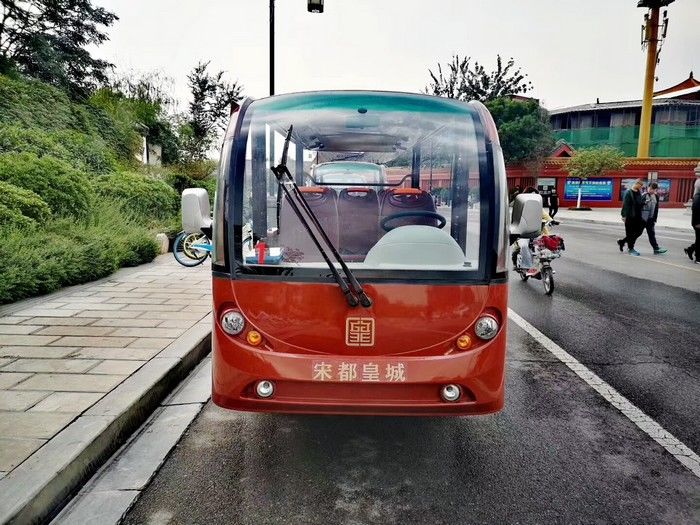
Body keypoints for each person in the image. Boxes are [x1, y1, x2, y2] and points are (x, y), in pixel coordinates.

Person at [617, 179, 645, 256]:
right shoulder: (628, 192)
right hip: (630, 216)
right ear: (636, 184)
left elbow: (638, 203)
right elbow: (625, 205)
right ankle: (630, 248)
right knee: (630, 233)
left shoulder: (638, 192)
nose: (641, 187)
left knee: (639, 231)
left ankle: (622, 241)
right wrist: (623, 215)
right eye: (640, 186)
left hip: (638, 216)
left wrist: (643, 203)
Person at [640, 182, 667, 254]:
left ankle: (656, 249)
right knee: (637, 233)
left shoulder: (656, 197)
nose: (651, 190)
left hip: (651, 219)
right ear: (648, 187)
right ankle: (623, 242)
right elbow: (638, 205)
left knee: (651, 234)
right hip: (643, 219)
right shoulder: (644, 195)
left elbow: (656, 209)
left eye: (653, 189)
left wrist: (655, 219)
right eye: (650, 188)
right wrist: (644, 202)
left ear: (655, 190)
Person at [684, 180, 700, 263]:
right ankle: (698, 258)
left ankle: (690, 250)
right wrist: (697, 223)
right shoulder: (698, 197)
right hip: (698, 223)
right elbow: (696, 211)